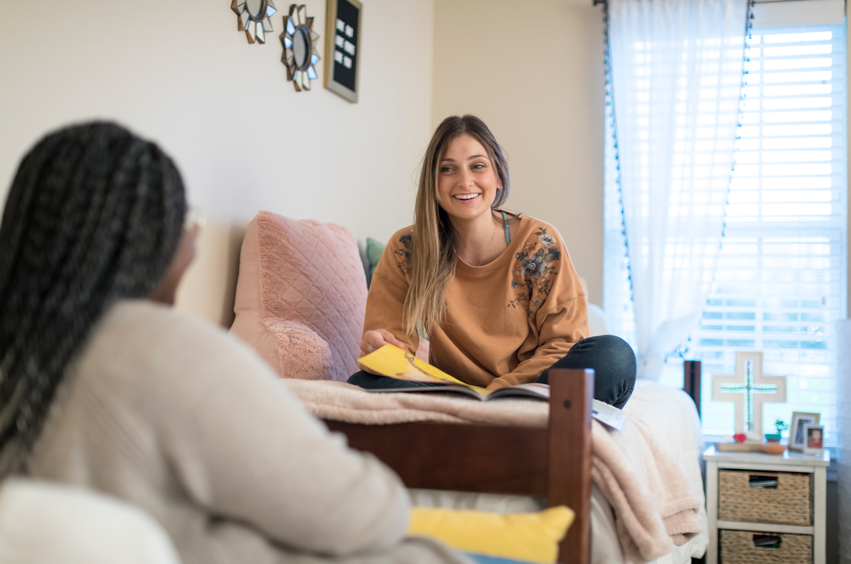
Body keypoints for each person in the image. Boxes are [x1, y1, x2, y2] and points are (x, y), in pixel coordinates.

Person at [0, 122, 472, 564]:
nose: (194, 240)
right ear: (149, 238)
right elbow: (362, 512)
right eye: (190, 220)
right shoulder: (161, 350)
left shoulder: (27, 354)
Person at [349, 115, 636, 409]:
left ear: (498, 175)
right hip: (453, 395)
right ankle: (498, 429)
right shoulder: (406, 250)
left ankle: (484, 424)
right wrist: (379, 349)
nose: (464, 181)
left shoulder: (540, 242)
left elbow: (563, 344)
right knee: (362, 384)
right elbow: (392, 349)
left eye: (477, 166)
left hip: (527, 391)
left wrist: (494, 396)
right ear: (433, 182)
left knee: (613, 357)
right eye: (448, 169)